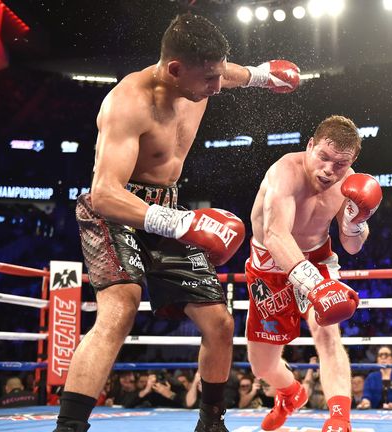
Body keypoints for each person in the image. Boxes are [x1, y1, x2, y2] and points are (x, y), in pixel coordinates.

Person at [54, 12, 299, 432]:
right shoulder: (127, 103)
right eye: (208, 79)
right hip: (117, 207)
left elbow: (232, 74)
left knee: (219, 322)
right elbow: (104, 194)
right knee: (120, 308)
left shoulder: (205, 77)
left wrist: (262, 76)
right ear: (174, 69)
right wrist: (180, 225)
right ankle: (70, 427)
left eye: (218, 75)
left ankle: (211, 424)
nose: (217, 87)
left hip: (167, 206)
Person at [245, 115, 382, 432]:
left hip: (318, 258)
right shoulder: (285, 172)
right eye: (323, 157)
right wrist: (312, 285)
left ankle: (339, 418)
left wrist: (355, 223)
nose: (329, 170)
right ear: (310, 146)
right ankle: (291, 393)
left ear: (351, 162)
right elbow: (276, 236)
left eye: (340, 164)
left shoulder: (349, 182)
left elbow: (351, 247)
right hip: (270, 264)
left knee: (327, 330)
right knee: (262, 365)